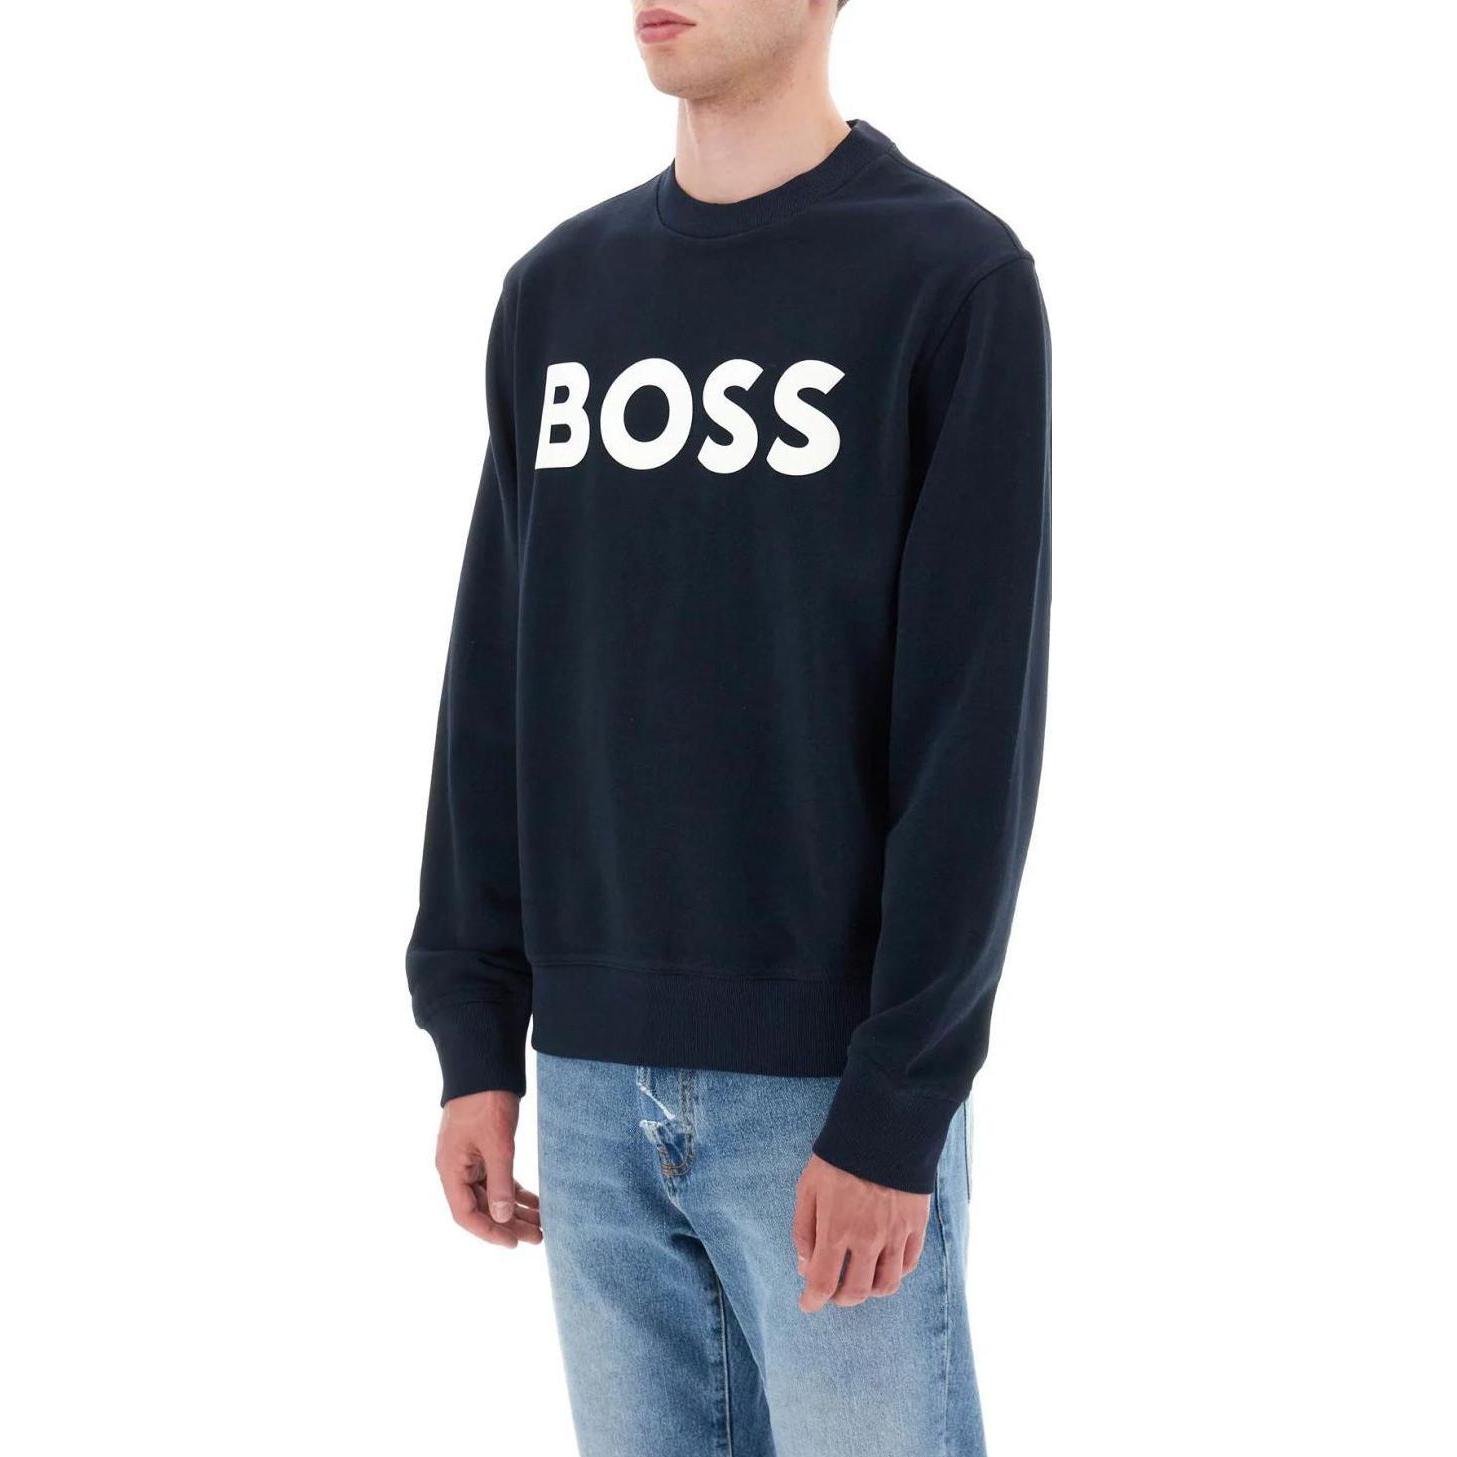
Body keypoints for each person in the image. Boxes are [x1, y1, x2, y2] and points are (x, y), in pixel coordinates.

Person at [406, 1, 1050, 1452]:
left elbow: (974, 728)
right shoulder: (558, 294)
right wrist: (474, 1029)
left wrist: (895, 1107)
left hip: (827, 1092)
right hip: (582, 1079)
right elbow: (494, 680)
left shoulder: (948, 278)